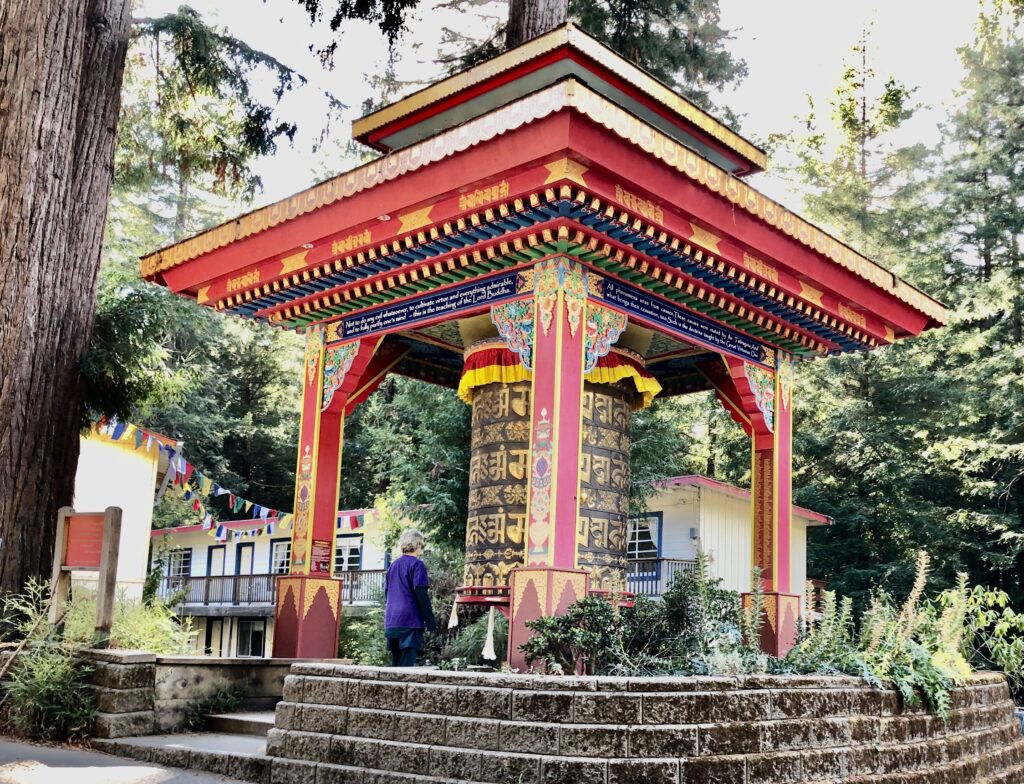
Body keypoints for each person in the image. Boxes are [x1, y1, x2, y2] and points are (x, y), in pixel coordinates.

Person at [383, 528, 436, 666]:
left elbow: (387, 592)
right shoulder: (417, 565)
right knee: (406, 668)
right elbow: (421, 593)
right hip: (410, 621)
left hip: (392, 621)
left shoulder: (393, 565)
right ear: (417, 545)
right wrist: (430, 621)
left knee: (395, 666)